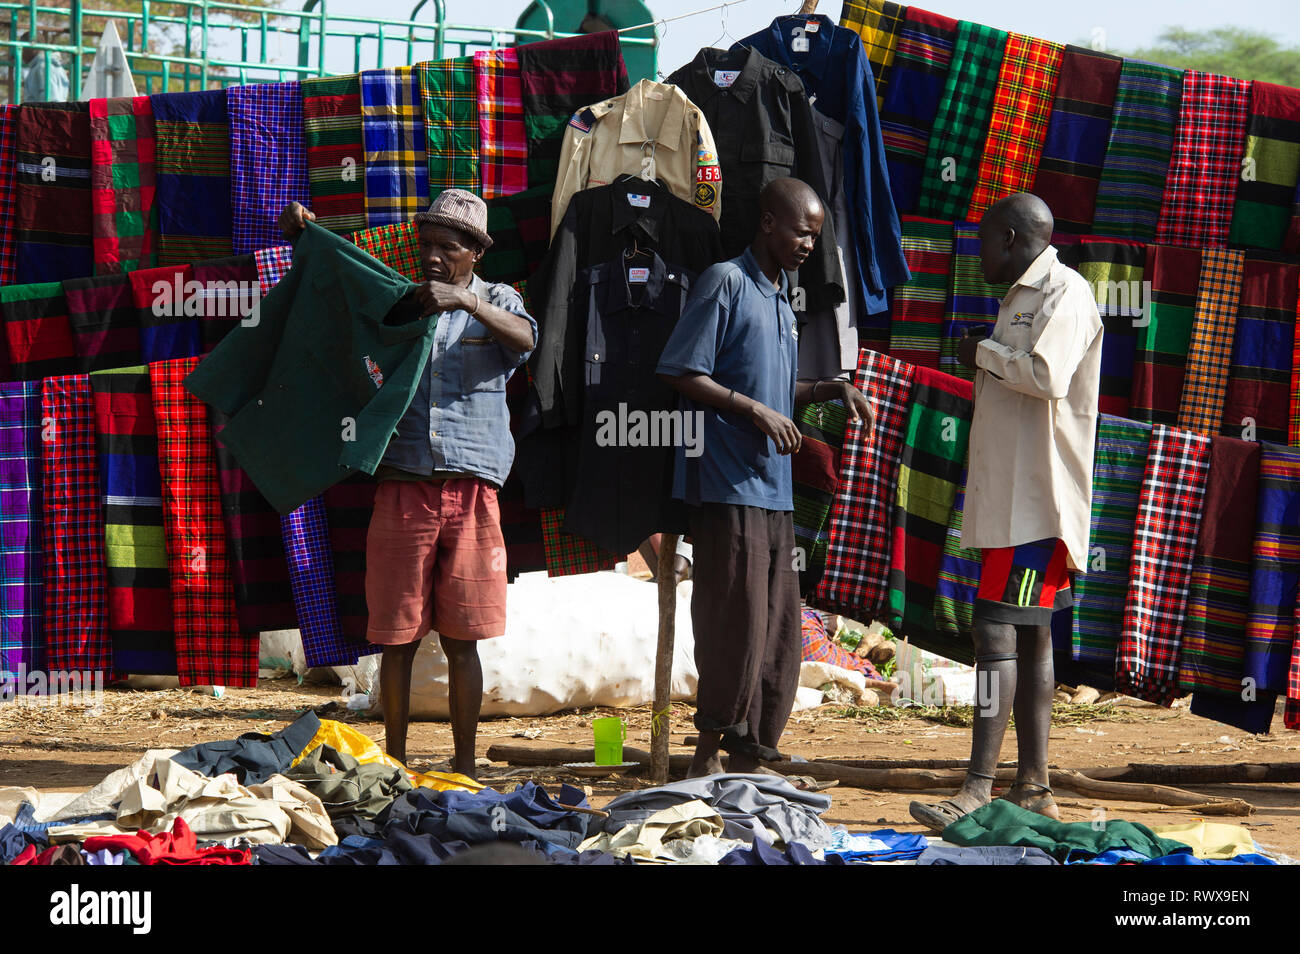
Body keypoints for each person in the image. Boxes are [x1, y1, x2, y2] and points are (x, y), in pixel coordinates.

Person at [277, 192, 536, 779]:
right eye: (428, 246)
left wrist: (467, 303)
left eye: (450, 247)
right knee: (395, 638)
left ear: (475, 253)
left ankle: (464, 764)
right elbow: (342, 287)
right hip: (402, 483)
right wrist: (304, 237)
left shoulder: (499, 300)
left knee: (464, 638)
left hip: (472, 489)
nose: (436, 258)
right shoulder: (401, 300)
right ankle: (395, 764)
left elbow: (526, 341)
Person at [657, 177, 874, 777]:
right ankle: (708, 749)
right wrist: (751, 410)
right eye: (802, 232)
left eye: (816, 236)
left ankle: (753, 744)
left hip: (773, 487)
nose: (809, 244)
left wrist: (829, 387)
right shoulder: (726, 282)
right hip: (726, 483)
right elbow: (680, 371)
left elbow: (779, 390)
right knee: (732, 618)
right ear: (769, 223)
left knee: (777, 622)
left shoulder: (782, 298)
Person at [910, 192, 1103, 830]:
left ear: (1015, 237)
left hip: (1036, 501)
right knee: (1032, 633)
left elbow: (1046, 376)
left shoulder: (1064, 294)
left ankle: (977, 787)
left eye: (988, 242)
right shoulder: (1021, 297)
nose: (980, 254)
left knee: (995, 630)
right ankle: (1034, 787)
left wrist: (980, 355)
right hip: (1014, 501)